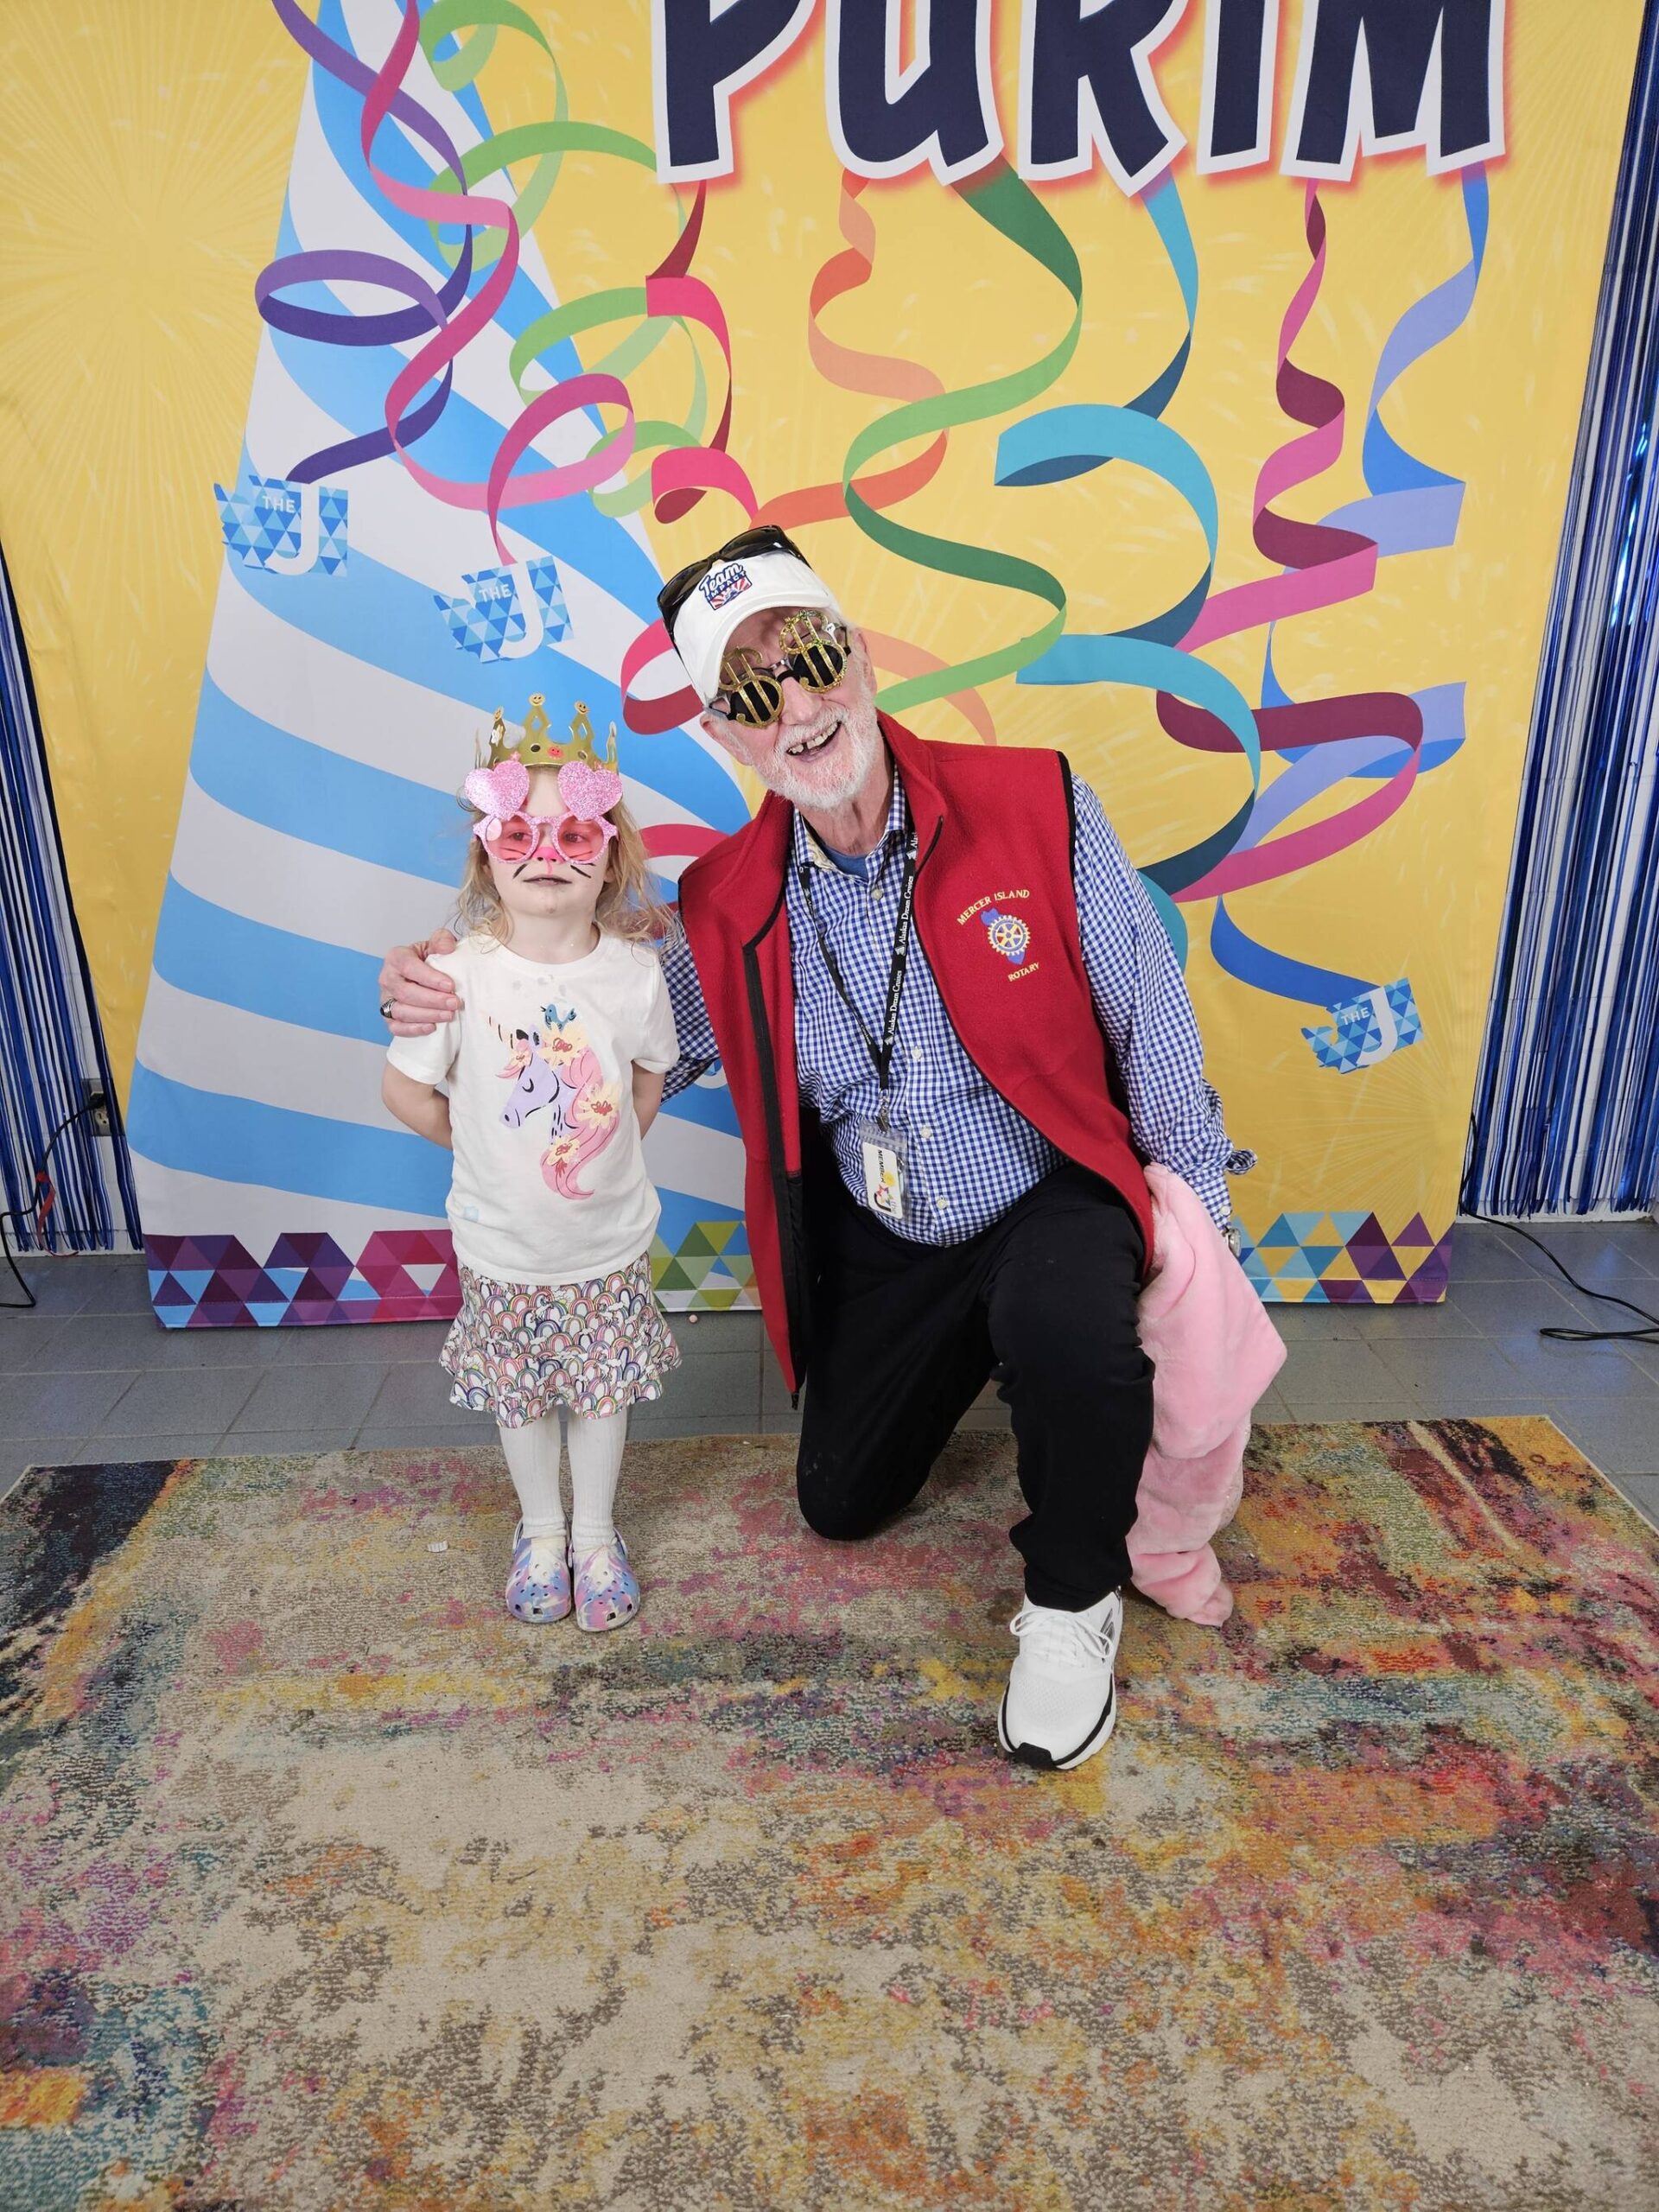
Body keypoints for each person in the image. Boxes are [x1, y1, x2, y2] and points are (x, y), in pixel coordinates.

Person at [381, 527, 1250, 1768]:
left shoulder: (1034, 798)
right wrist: (444, 984)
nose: (797, 705)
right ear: (728, 736)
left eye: (812, 658)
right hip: (890, 1234)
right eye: (750, 693)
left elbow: (1147, 1005)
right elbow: (598, 1020)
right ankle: (1023, 1373)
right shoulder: (727, 898)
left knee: (1070, 1332)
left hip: (1044, 1185)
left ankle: (1072, 1598)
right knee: (840, 1504)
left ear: (859, 657)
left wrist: (1199, 1225)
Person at [382, 700, 680, 1633]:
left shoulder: (633, 973)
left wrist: (595, 1152)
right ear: (486, 856)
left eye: (574, 832)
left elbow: (646, 1081)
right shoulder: (459, 974)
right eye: (519, 830)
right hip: (503, 1244)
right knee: (520, 1397)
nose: (545, 850)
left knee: (599, 1393)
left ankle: (595, 1536)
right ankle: (540, 1532)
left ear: (611, 856)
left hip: (604, 1241)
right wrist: (483, 1146)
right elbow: (406, 1093)